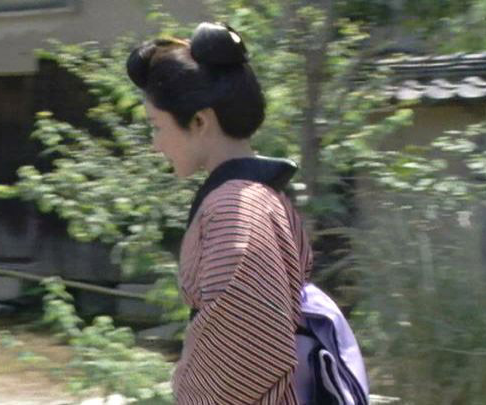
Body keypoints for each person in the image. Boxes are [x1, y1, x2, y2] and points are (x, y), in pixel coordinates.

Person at [126, 22, 368, 405]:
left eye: (156, 127)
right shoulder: (255, 197)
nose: (155, 145)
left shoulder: (236, 210)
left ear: (200, 121)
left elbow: (243, 358)